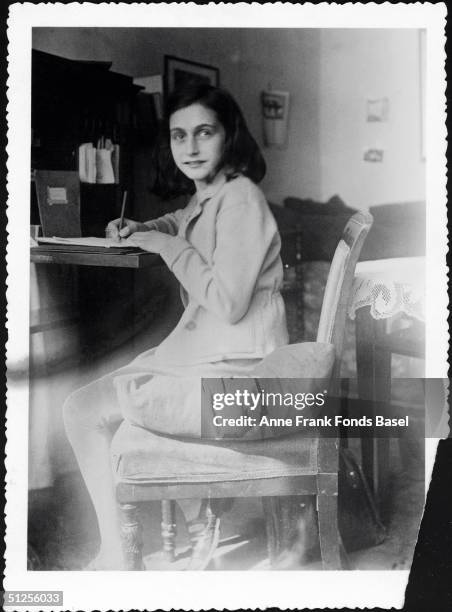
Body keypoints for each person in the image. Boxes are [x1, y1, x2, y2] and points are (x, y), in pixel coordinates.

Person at [63, 83, 289, 570]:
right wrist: (148, 229)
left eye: (203, 132)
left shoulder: (242, 200)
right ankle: (199, 524)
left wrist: (164, 247)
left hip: (240, 373)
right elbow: (186, 220)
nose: (189, 147)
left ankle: (118, 556)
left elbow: (228, 303)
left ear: (229, 137)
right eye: (178, 135)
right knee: (116, 385)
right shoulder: (215, 194)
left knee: (81, 409)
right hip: (221, 357)